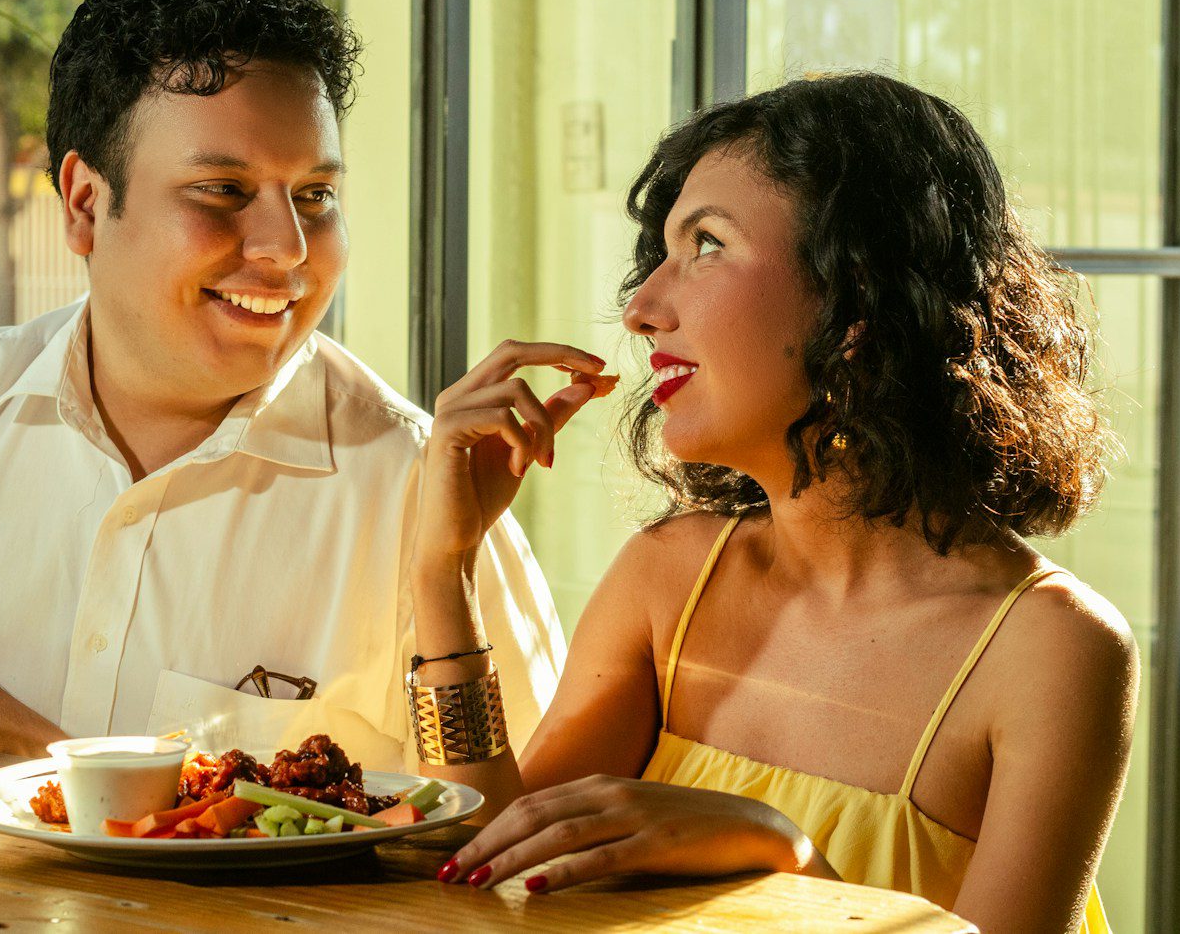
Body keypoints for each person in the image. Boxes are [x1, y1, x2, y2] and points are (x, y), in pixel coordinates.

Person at [0, 0, 564, 766]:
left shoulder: (421, 491)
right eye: (222, 191)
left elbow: (534, 825)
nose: (287, 248)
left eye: (315, 196)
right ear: (84, 204)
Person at [406, 73, 1135, 933]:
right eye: (662, 255)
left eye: (707, 244)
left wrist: (783, 853)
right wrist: (441, 567)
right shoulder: (668, 577)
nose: (641, 309)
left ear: (858, 296)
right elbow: (490, 858)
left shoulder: (1050, 650)